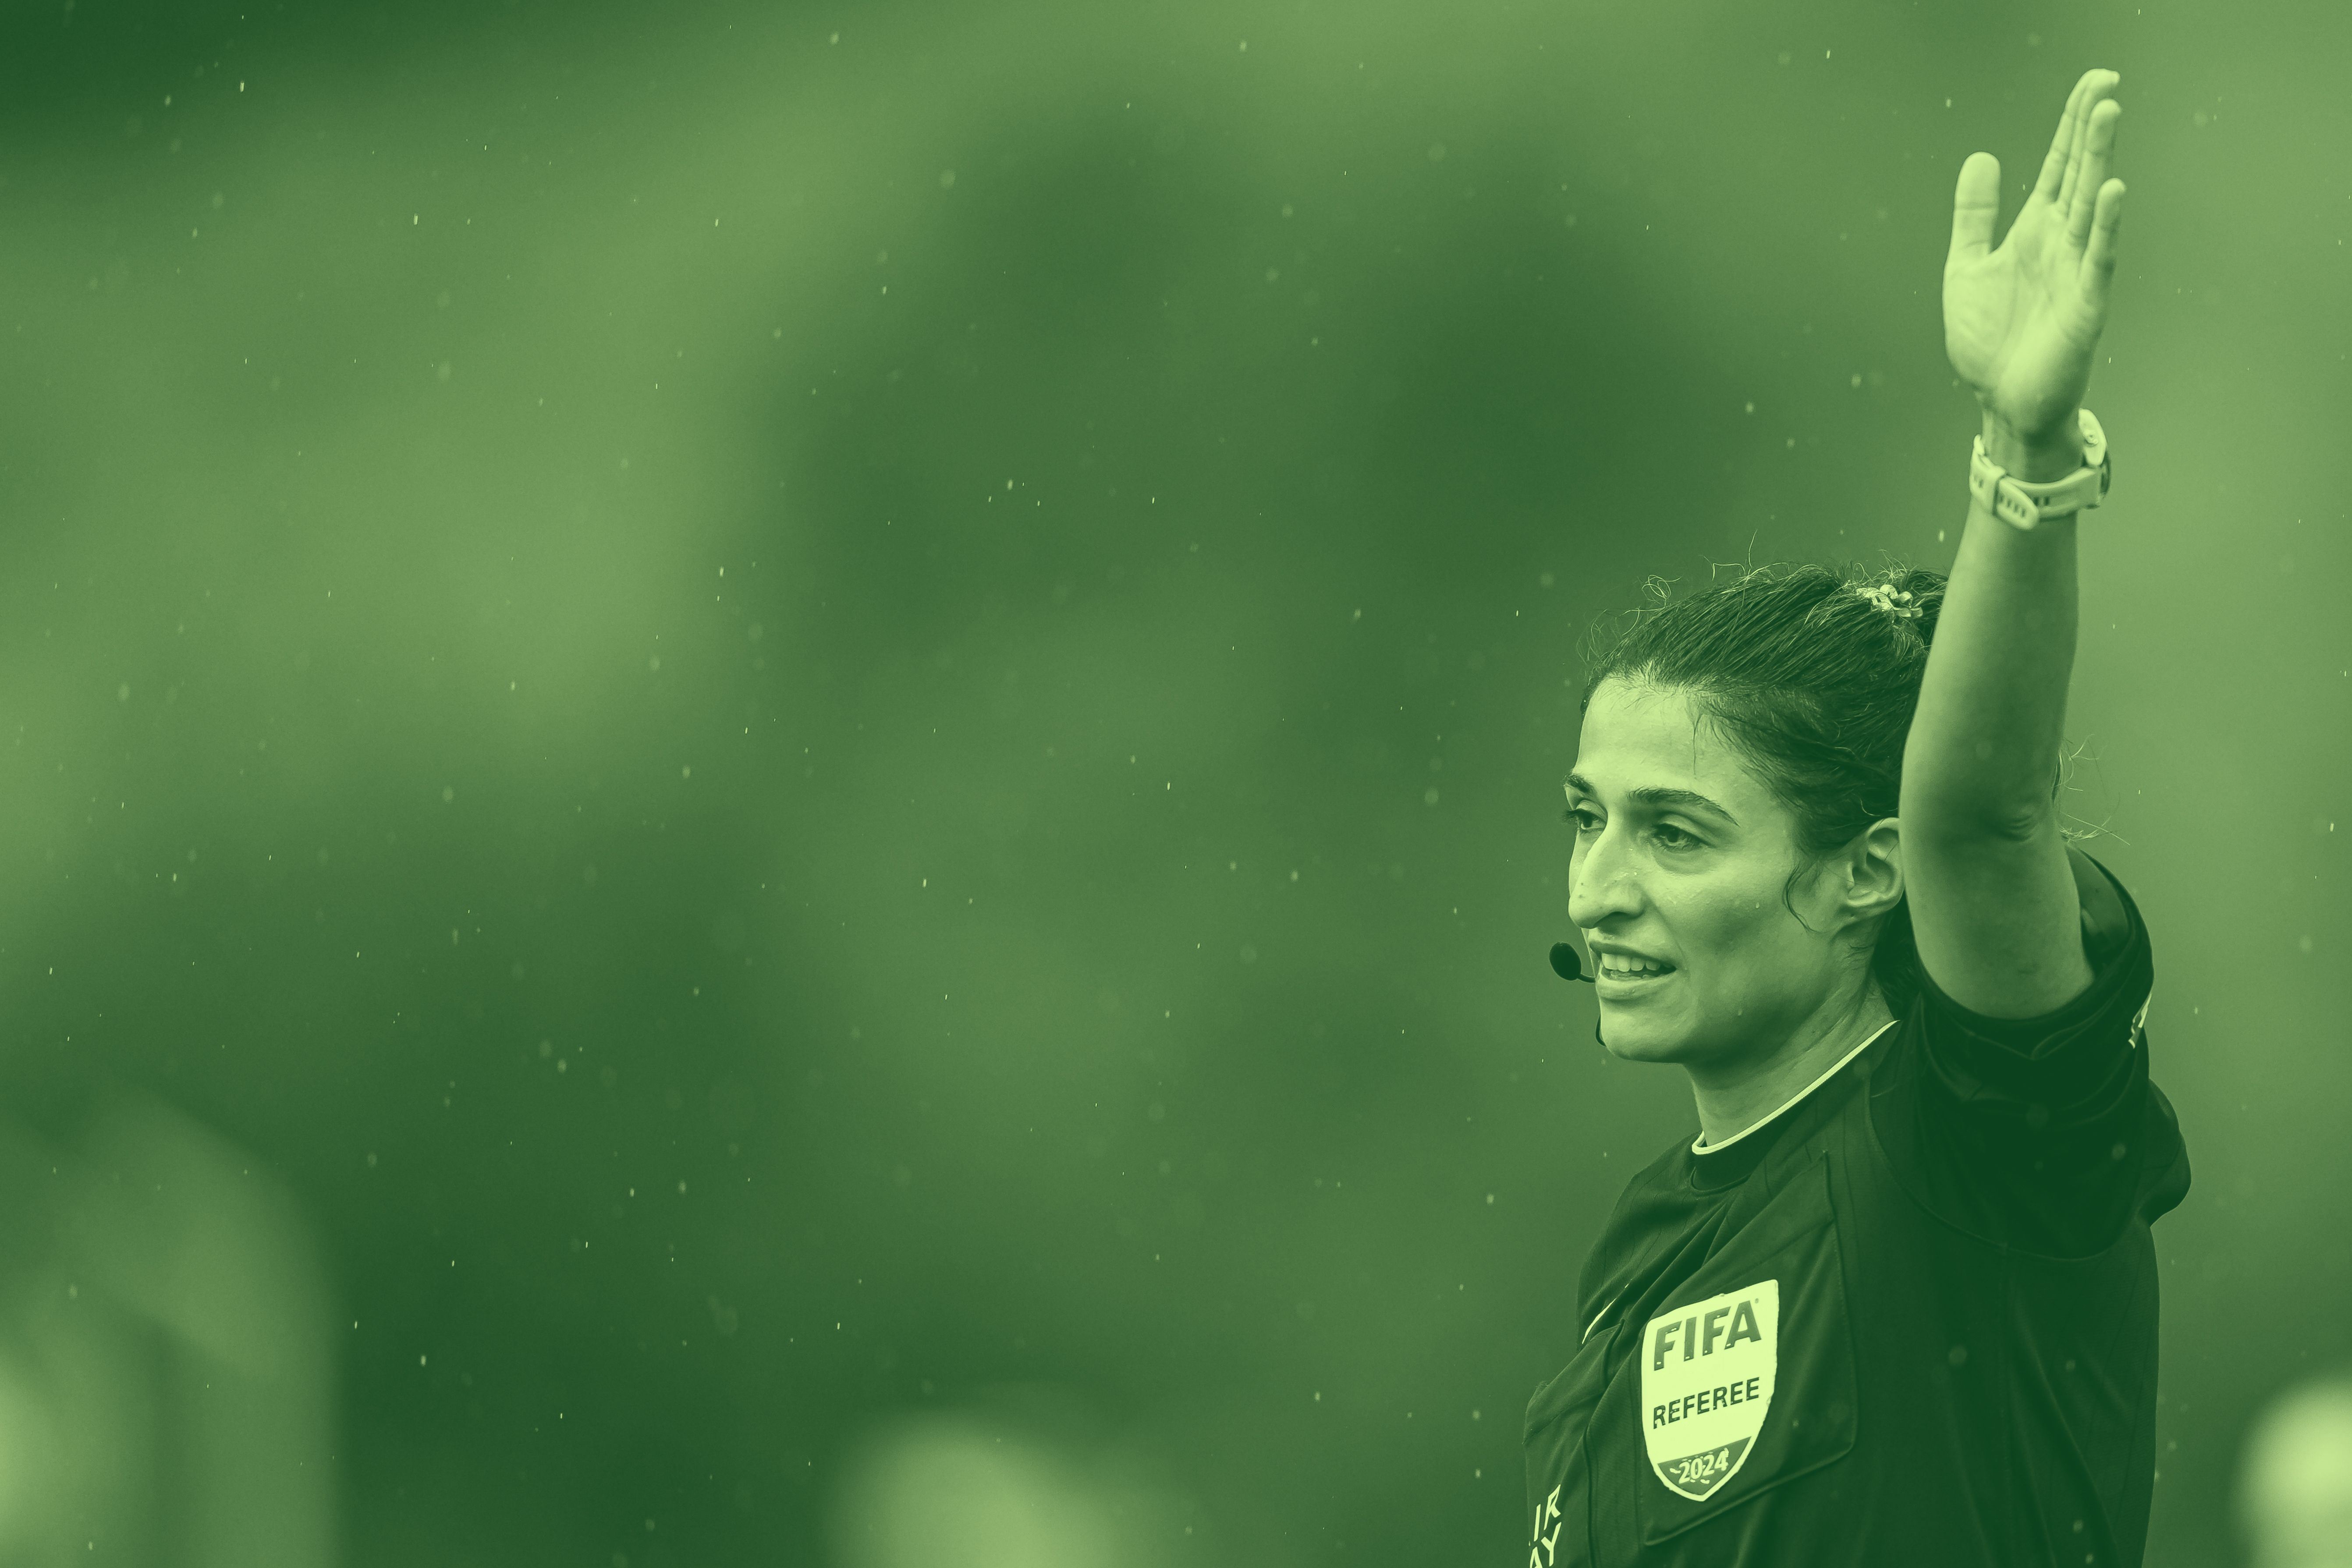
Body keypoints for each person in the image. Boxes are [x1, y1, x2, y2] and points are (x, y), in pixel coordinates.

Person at [1522, 68, 2188, 1567]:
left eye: (1675, 832)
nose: (1597, 889)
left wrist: (2027, 452)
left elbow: (1986, 816)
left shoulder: (1981, 1138)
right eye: (1586, 818)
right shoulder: (1640, 1252)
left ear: (1868, 869)